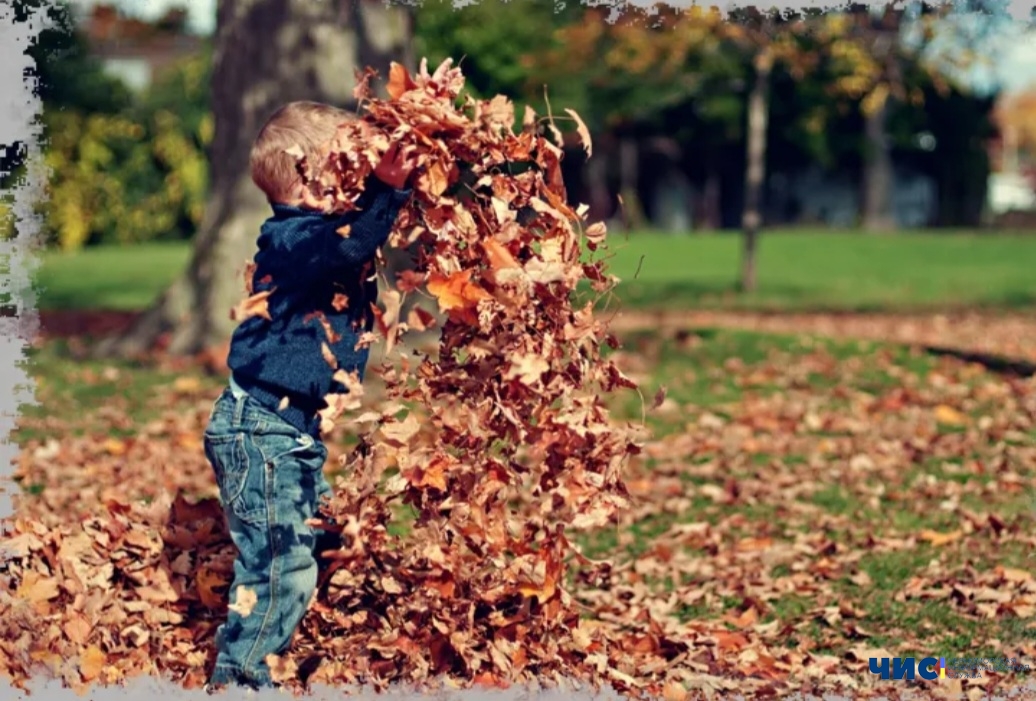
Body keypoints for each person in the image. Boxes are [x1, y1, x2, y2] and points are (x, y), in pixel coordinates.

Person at [202, 101, 415, 691]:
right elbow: (348, 245)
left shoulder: (318, 235)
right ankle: (239, 679)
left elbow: (359, 235)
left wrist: (400, 186)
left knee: (320, 537)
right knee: (280, 570)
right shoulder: (293, 239)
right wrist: (385, 193)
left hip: (287, 433)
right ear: (312, 177)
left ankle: (289, 641)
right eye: (348, 173)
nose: (359, 185)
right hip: (261, 433)